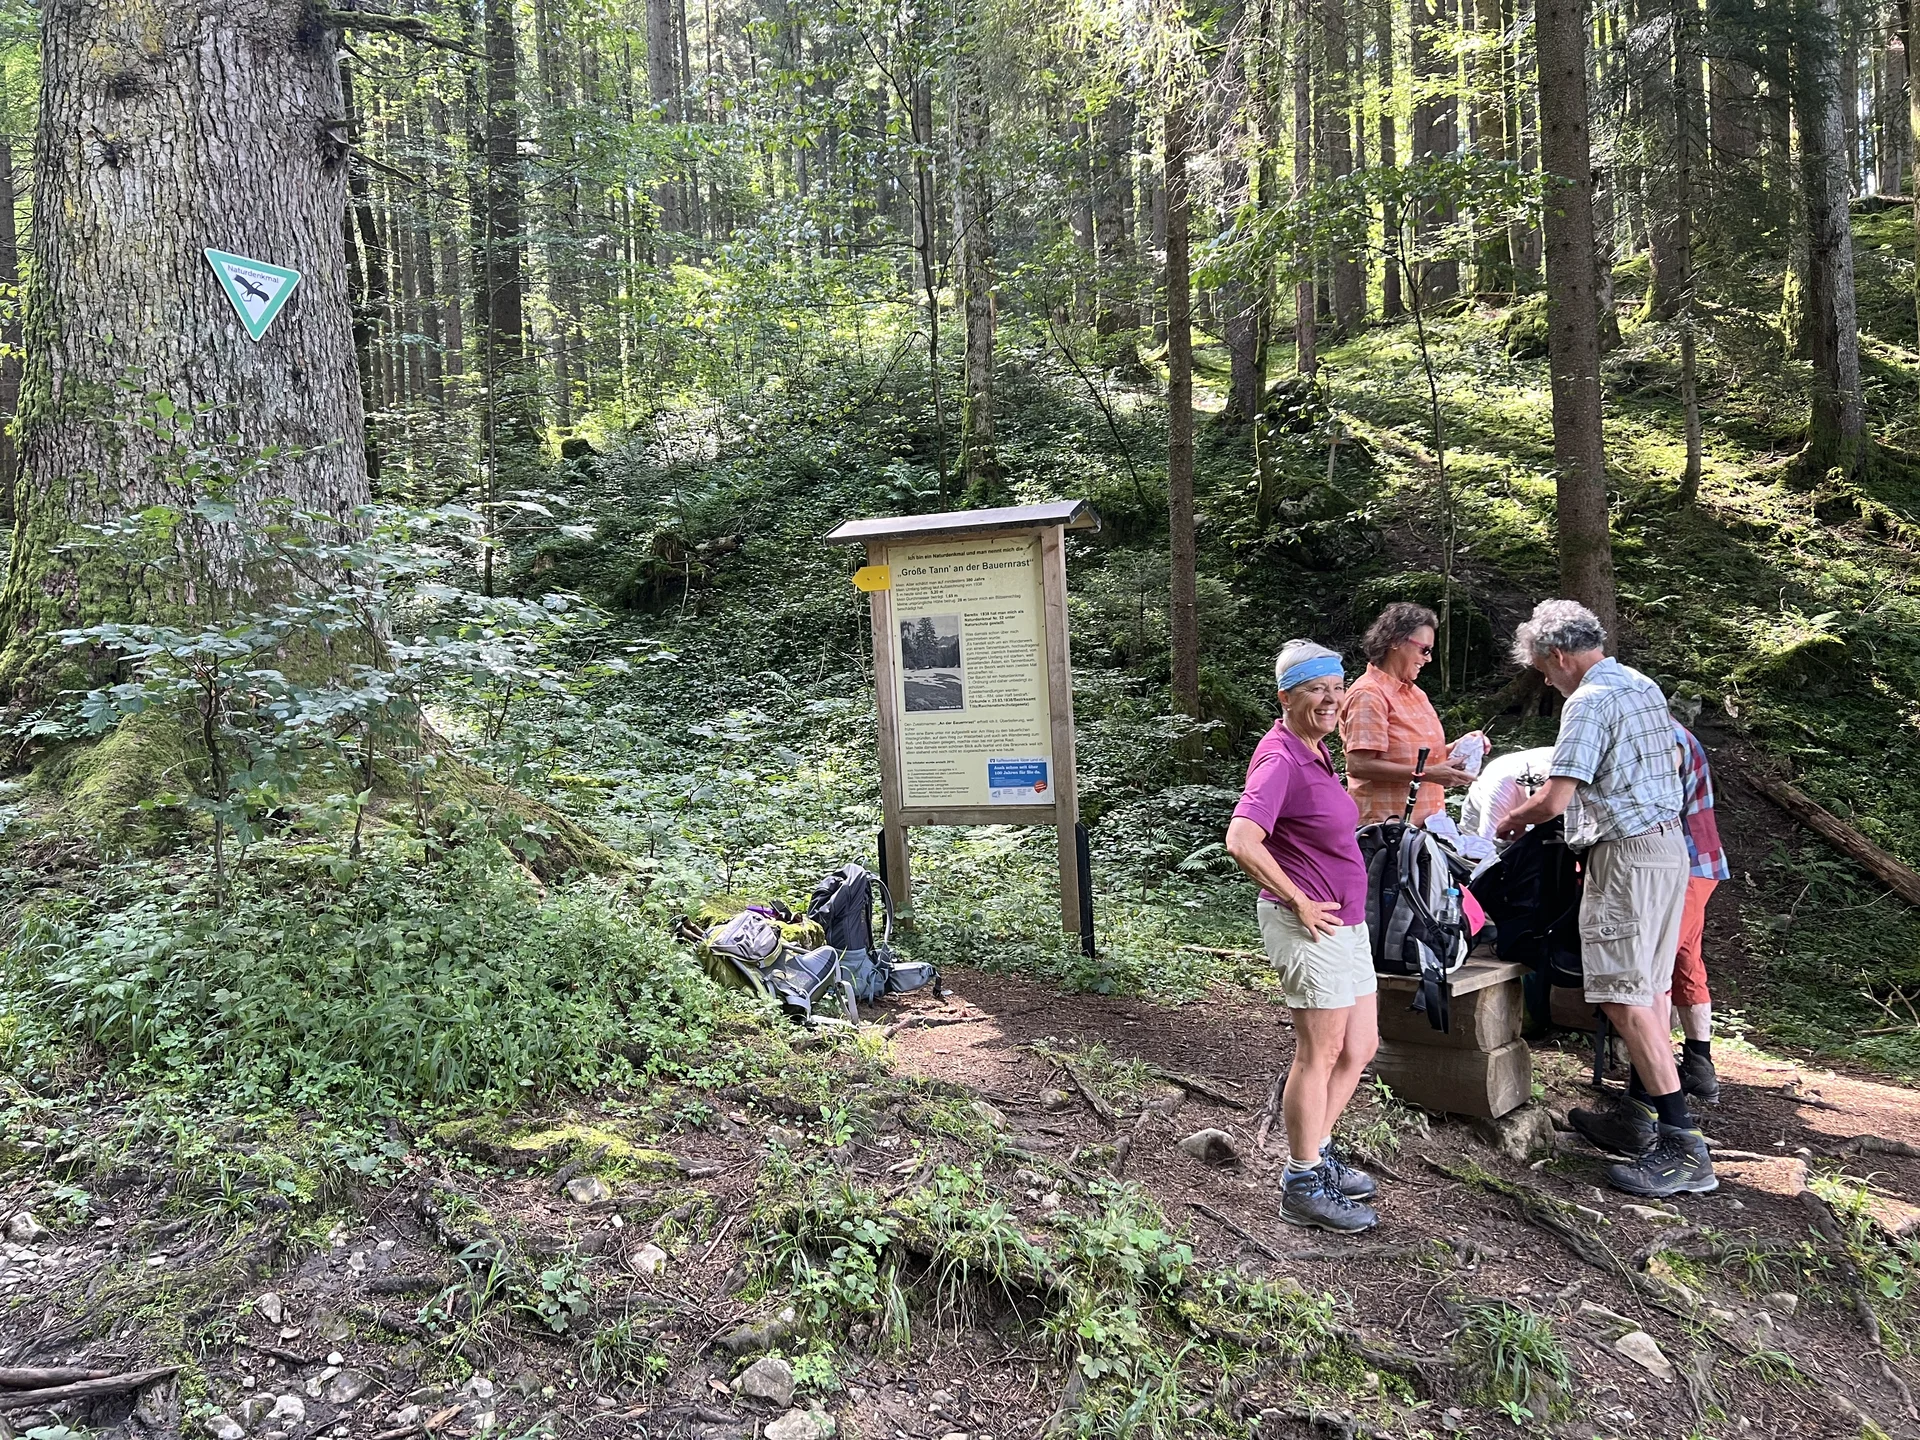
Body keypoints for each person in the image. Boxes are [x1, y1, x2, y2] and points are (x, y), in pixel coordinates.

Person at [1495, 601, 1713, 1199]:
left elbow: (1555, 799)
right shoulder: (1640, 684)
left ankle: (1681, 1146)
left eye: (1544, 670)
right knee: (1650, 989)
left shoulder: (1587, 700)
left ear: (1560, 657)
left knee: (1625, 998)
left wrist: (1511, 821)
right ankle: (1637, 1118)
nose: (1546, 680)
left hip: (1627, 859)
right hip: (1669, 848)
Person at [1225, 640, 1381, 1234]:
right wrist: (1297, 898)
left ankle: (1317, 1153)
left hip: (1346, 922)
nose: (1331, 699)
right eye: (1317, 689)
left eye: (1337, 689)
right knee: (1318, 1053)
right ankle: (1301, 1179)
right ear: (1286, 696)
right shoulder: (1281, 759)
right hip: (1309, 926)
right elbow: (1243, 839)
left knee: (1359, 1047)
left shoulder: (1316, 752)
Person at [1341, 602, 1487, 826]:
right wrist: (1427, 774)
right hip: (1384, 834)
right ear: (1396, 641)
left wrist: (1461, 748)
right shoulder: (1369, 694)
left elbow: (1419, 758)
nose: (1428, 658)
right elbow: (1359, 765)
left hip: (1425, 829)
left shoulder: (1415, 693)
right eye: (1424, 650)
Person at [1671, 717, 1728, 1104]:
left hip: (1683, 863)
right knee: (1686, 962)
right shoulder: (1675, 731)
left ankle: (1648, 1096)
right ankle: (1699, 1066)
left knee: (1654, 969)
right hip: (1700, 862)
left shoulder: (1663, 737)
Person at [1460, 746, 1556, 842]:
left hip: (1527, 801)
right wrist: (1517, 818)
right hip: (1483, 804)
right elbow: (1488, 841)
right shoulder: (1501, 785)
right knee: (1479, 846)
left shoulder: (1565, 770)